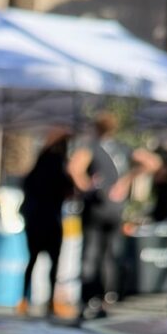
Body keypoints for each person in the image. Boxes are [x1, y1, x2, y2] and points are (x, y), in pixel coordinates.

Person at [69, 113, 134, 318]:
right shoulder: (121, 148)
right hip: (114, 210)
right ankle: (106, 299)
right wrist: (125, 182)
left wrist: (87, 187)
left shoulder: (92, 147)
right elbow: (152, 162)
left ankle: (89, 300)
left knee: (92, 254)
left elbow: (74, 168)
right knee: (109, 255)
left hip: (97, 209)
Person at [18, 128, 74, 316]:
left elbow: (26, 186)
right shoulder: (60, 167)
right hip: (51, 219)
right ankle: (50, 301)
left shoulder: (38, 167)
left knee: (32, 260)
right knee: (53, 263)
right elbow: (69, 190)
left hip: (34, 220)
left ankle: (24, 299)